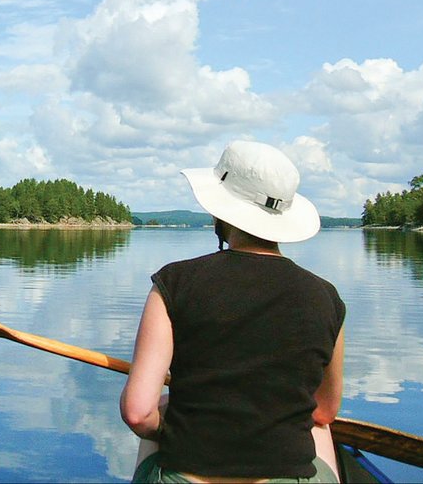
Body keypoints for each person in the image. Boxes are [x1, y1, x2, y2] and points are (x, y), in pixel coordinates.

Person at [120, 140, 346, 483]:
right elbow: (326, 410)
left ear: (220, 212)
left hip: (187, 476)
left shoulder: (174, 282)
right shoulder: (326, 297)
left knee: (157, 404)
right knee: (319, 426)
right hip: (288, 476)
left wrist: (166, 420)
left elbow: (137, 414)